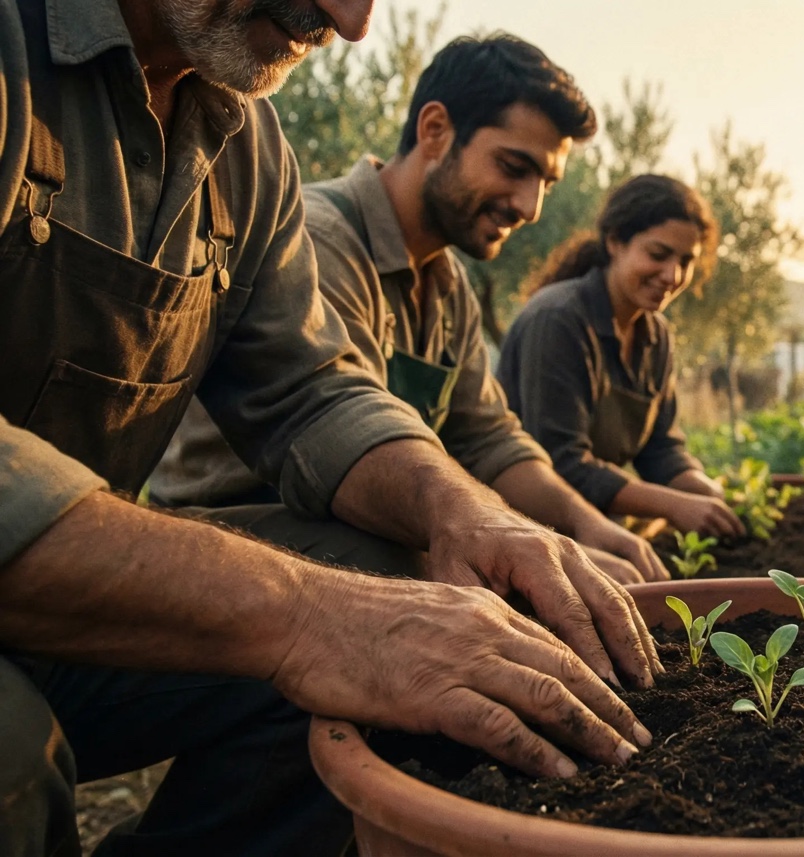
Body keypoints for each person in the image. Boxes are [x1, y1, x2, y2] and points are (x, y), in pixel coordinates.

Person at [0, 2, 659, 855]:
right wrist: (311, 615)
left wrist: (465, 513)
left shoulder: (249, 147)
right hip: (99, 574)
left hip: (100, 592)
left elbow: (312, 391)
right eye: (514, 165)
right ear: (434, 131)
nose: (350, 22)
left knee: (410, 586)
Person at [150, 33, 668, 584]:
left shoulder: (447, 283)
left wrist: (587, 529)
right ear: (435, 131)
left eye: (545, 182)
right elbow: (339, 435)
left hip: (360, 533)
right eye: (514, 167)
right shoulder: (322, 239)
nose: (529, 206)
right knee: (462, 584)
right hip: (233, 537)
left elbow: (487, 438)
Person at [496, 175, 746, 538]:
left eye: (686, 261)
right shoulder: (559, 321)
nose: (672, 275)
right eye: (658, 255)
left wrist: (701, 488)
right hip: (527, 526)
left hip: (597, 523)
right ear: (615, 242)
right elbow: (561, 463)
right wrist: (673, 505)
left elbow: (660, 448)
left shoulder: (655, 335)